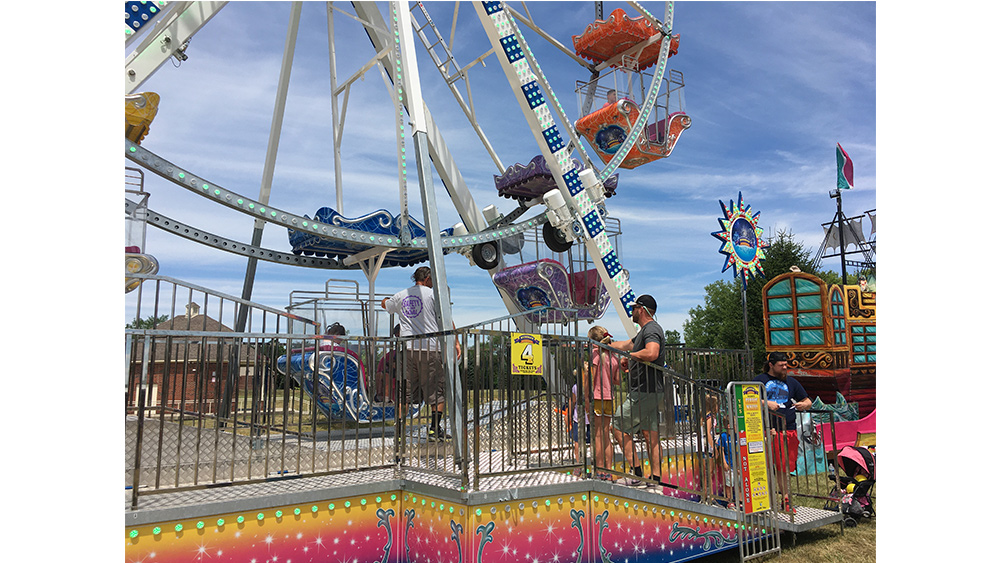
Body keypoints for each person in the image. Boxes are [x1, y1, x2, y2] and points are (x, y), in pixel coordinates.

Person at [381, 266, 459, 442]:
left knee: (406, 392)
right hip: (430, 349)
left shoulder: (401, 295)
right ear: (428, 278)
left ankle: (399, 431)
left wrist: (386, 299)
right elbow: (446, 319)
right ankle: (434, 429)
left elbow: (386, 305)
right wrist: (455, 341)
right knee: (436, 391)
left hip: (408, 350)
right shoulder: (433, 295)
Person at [609, 294, 666, 490]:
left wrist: (630, 357)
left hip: (643, 391)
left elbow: (652, 353)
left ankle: (637, 474)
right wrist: (606, 345)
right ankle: (655, 479)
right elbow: (628, 345)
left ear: (641, 309)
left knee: (616, 425)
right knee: (651, 435)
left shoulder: (651, 330)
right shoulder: (645, 331)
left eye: (634, 308)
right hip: (652, 391)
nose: (631, 312)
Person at [753, 351, 813, 511]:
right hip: (765, 430)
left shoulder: (792, 382)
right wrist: (766, 403)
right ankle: (764, 499)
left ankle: (786, 498)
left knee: (784, 467)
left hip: (788, 430)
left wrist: (804, 405)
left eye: (786, 364)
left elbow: (808, 400)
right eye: (782, 365)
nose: (785, 367)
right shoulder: (760, 380)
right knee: (763, 466)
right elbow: (747, 399)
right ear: (771, 365)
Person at [587, 325, 622, 481]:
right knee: (606, 434)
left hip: (596, 397)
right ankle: (609, 469)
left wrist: (586, 397)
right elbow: (617, 381)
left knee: (598, 435)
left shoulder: (596, 354)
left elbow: (591, 378)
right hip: (609, 398)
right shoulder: (614, 356)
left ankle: (599, 469)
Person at [374, 324, 401, 403]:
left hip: (403, 371)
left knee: (386, 376)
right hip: (393, 371)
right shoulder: (394, 352)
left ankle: (386, 399)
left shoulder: (408, 349)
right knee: (380, 375)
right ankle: (379, 396)